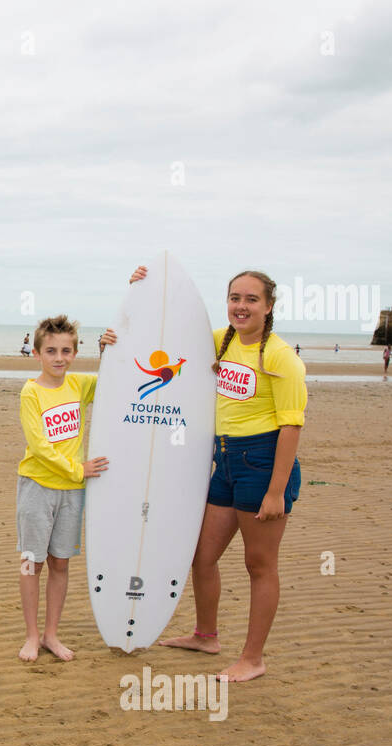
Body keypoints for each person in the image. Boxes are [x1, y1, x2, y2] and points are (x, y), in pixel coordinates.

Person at [131, 266, 306, 682]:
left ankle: (253, 658)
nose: (241, 306)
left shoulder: (281, 357)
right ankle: (206, 635)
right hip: (224, 461)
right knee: (202, 556)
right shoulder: (220, 342)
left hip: (262, 463)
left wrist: (276, 490)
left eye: (251, 299)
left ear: (268, 307)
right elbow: (165, 339)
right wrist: (142, 289)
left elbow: (291, 427)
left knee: (259, 565)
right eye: (235, 298)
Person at [16, 315, 115, 662]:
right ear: (38, 353)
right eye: (52, 351)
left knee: (60, 563)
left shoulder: (80, 385)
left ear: (75, 353)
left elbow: (114, 382)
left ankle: (51, 635)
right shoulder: (31, 392)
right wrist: (79, 469)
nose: (59, 358)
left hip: (72, 493)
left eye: (67, 351)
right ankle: (30, 636)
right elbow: (40, 446)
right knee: (32, 562)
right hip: (38, 487)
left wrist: (108, 350)